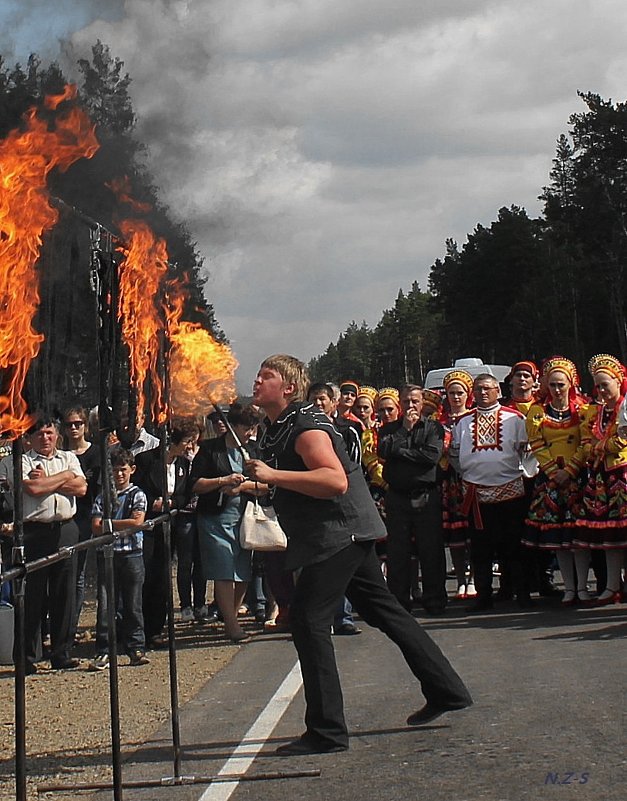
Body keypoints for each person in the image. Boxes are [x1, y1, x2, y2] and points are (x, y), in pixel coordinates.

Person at [246, 355, 472, 755]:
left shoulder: (305, 426)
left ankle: (327, 731)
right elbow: (298, 481)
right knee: (386, 612)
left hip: (338, 535)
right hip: (339, 533)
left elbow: (332, 480)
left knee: (308, 622)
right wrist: (259, 486)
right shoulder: (277, 428)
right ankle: (448, 690)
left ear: (289, 388)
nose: (257, 380)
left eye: (267, 376)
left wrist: (274, 476)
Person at [0, 416, 87, 673]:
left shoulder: (69, 459)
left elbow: (81, 488)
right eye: (39, 434)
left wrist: (52, 477)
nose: (45, 438)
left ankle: (62, 652)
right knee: (32, 596)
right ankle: (25, 657)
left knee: (65, 593)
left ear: (57, 435)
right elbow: (33, 489)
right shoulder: (21, 460)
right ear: (29, 438)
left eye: (49, 433)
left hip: (65, 529)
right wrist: (65, 479)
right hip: (34, 532)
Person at [450, 374, 530, 611]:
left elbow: (527, 453)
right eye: (478, 389)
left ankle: (519, 592)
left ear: (498, 390)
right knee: (481, 548)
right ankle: (484, 596)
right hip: (478, 494)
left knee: (514, 546)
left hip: (511, 492)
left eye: (487, 388)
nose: (483, 393)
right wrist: (471, 475)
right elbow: (455, 455)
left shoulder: (515, 419)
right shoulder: (462, 422)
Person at [190, 404, 266, 642]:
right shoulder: (210, 449)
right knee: (224, 571)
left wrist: (242, 487)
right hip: (215, 519)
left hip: (245, 518)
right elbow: (196, 484)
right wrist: (222, 481)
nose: (249, 432)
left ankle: (229, 617)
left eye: (253, 427)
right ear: (232, 426)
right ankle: (232, 627)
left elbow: (267, 485)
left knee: (242, 572)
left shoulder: (253, 451)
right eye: (246, 427)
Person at [522, 357, 591, 605]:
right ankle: (569, 588)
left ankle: (583, 586)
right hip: (551, 479)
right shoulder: (537, 412)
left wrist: (571, 470)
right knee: (559, 537)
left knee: (578, 537)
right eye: (553, 385)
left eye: (561, 384)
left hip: (577, 478)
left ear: (570, 384)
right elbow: (537, 444)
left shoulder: (583, 410)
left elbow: (587, 443)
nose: (557, 389)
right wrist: (553, 471)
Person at [378, 384, 448, 615]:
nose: (410, 406)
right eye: (406, 402)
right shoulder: (389, 429)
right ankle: (399, 602)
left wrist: (400, 452)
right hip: (397, 497)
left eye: (414, 402)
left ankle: (435, 600)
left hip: (426, 496)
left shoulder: (433, 427)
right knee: (398, 552)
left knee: (431, 551)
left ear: (422, 403)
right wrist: (404, 431)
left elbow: (430, 457)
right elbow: (384, 451)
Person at [134, 422, 198, 648]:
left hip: (169, 522)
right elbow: (136, 487)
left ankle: (156, 628)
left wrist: (173, 503)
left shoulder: (183, 464)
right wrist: (152, 503)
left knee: (162, 576)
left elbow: (186, 492)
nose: (190, 446)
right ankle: (137, 629)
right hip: (149, 524)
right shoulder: (146, 459)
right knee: (146, 574)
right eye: (187, 442)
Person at [573, 354, 627, 605]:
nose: (602, 390)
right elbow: (586, 444)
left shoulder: (625, 407)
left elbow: (622, 442)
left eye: (606, 384)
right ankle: (612, 585)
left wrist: (600, 446)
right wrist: (597, 447)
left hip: (623, 475)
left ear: (619, 382)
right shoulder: (595, 412)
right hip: (602, 478)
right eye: (599, 385)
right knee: (609, 537)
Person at [90, 448, 149, 669]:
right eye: (115, 471)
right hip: (107, 555)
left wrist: (109, 524)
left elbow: (137, 522)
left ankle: (136, 647)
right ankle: (104, 649)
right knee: (106, 605)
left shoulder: (138, 494)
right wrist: (120, 525)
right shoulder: (102, 496)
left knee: (133, 603)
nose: (119, 475)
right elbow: (95, 527)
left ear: (131, 470)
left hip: (131, 554)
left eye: (123, 470)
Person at [62, 405, 100, 644]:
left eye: (78, 424)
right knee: (60, 576)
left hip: (84, 518)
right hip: (62, 519)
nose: (74, 428)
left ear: (85, 425)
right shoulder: (59, 454)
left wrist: (59, 483)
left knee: (77, 576)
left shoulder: (95, 453)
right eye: (69, 425)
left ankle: (71, 626)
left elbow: (88, 489)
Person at [438, 370, 474, 600]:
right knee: (454, 535)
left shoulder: (473, 418)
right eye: (451, 393)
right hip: (448, 481)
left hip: (470, 479)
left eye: (459, 393)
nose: (455, 397)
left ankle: (473, 579)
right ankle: (460, 580)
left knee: (473, 532)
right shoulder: (438, 423)